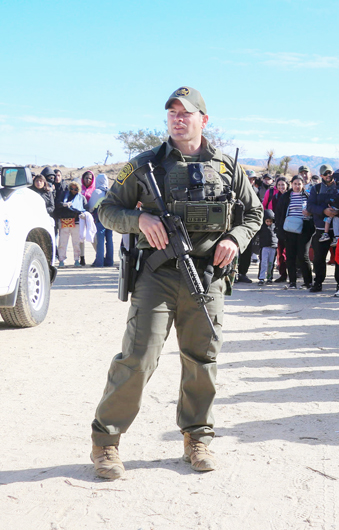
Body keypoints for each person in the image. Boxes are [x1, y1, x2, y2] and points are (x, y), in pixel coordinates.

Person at [90, 86, 262, 479]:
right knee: (137, 358)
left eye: (186, 112)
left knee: (202, 360)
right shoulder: (145, 164)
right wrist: (140, 221)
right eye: (171, 113)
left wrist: (234, 239)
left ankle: (197, 439)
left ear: (204, 119)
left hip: (207, 277)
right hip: (157, 276)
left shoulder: (227, 168)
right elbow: (106, 210)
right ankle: (106, 444)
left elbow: (253, 214)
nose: (177, 118)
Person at [308, 164, 339, 292]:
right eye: (325, 173)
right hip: (320, 229)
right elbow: (310, 207)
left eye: (330, 173)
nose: (328, 175)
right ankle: (318, 282)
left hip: (337, 230)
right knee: (319, 258)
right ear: (321, 175)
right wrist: (324, 211)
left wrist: (337, 212)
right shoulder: (316, 189)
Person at [275, 175, 314, 289]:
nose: (297, 186)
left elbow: (313, 211)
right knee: (290, 255)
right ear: (291, 184)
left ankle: (308, 281)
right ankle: (292, 281)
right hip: (289, 229)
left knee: (303, 255)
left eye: (299, 184)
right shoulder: (286, 197)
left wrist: (309, 213)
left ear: (303, 185)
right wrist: (279, 228)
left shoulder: (308, 196)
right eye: (295, 184)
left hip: (305, 229)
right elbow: (279, 213)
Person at [54, 180, 87, 267]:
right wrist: (63, 204)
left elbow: (85, 208)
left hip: (76, 222)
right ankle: (61, 260)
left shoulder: (81, 198)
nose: (73, 190)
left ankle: (76, 260)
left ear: (78, 189)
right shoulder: (64, 195)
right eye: (71, 188)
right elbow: (57, 204)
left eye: (75, 189)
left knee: (76, 243)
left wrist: (84, 214)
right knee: (62, 242)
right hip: (64, 221)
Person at [88, 173, 114, 267]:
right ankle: (110, 261)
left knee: (100, 240)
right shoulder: (111, 191)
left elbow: (90, 207)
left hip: (100, 218)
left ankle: (99, 262)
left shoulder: (97, 192)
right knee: (109, 240)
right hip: (110, 218)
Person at [78, 171, 97, 266]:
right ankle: (82, 258)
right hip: (81, 216)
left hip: (91, 216)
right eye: (86, 178)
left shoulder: (95, 189)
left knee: (93, 237)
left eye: (90, 178)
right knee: (81, 237)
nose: (88, 180)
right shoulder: (79, 189)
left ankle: (99, 256)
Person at [257, 209, 278, 285]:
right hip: (264, 247)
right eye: (267, 221)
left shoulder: (275, 227)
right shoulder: (261, 227)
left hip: (273, 247)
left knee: (271, 263)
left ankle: (269, 277)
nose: (269, 223)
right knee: (263, 263)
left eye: (270, 221)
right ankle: (261, 278)